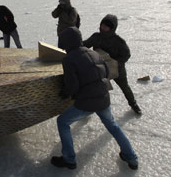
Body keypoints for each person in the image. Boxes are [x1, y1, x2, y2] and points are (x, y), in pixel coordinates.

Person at [51, 27, 138, 170]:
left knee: (62, 122)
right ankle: (132, 158)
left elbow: (72, 85)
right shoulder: (94, 53)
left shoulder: (69, 59)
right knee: (113, 126)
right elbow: (107, 72)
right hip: (104, 98)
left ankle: (69, 159)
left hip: (86, 102)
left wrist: (64, 93)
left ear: (65, 42)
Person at [83, 14, 141, 115]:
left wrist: (115, 62)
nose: (103, 27)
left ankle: (133, 104)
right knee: (96, 89)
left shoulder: (119, 41)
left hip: (117, 70)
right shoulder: (96, 37)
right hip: (101, 70)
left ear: (112, 28)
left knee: (125, 87)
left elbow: (126, 54)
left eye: (106, 26)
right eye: (102, 25)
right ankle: (90, 109)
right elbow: (85, 45)